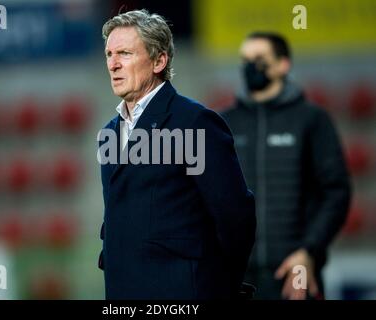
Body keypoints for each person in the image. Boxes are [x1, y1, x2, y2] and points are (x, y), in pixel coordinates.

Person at [97, 9, 256, 300]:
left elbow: (235, 215)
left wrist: (221, 286)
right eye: (109, 54)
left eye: (125, 53)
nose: (113, 64)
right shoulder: (109, 132)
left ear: (159, 60)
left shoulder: (194, 121)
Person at [221, 32, 351, 300]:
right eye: (245, 60)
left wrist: (309, 251)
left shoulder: (312, 120)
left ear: (283, 64)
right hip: (234, 275)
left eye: (259, 59)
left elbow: (336, 193)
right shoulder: (224, 123)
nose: (249, 66)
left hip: (294, 272)